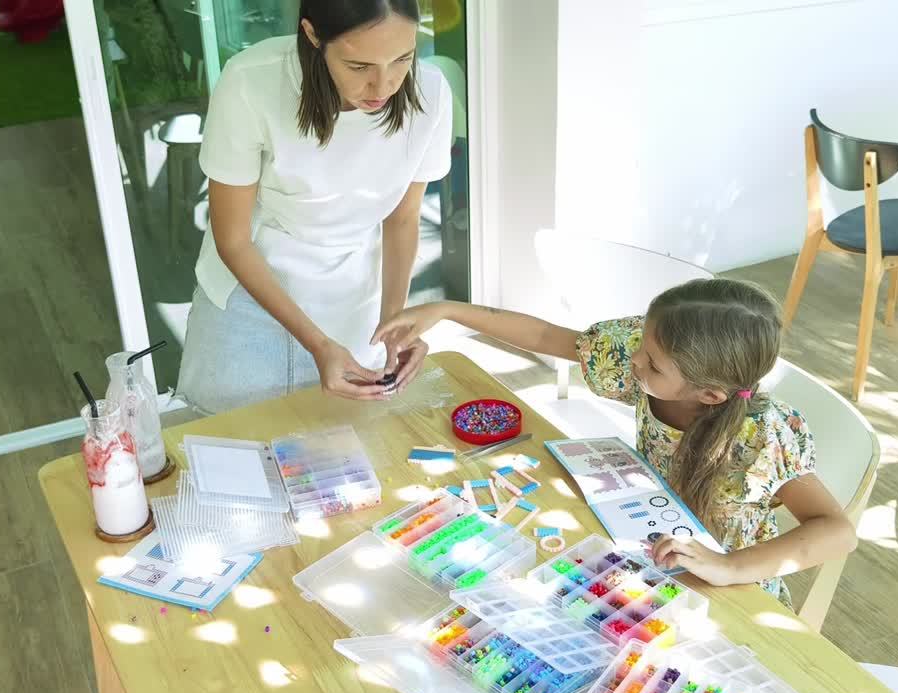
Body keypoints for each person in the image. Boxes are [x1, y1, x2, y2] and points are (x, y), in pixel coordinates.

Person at [373, 278, 858, 607]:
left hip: (732, 589)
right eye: (642, 348)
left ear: (708, 394)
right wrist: (447, 309)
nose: (633, 363)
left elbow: (837, 531)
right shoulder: (650, 357)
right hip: (644, 548)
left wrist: (728, 567)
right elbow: (549, 336)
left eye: (651, 363)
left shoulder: (764, 437)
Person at [177, 0, 453, 413]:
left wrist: (395, 324)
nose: (384, 86)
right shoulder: (251, 82)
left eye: (402, 59)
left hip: (353, 296)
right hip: (250, 295)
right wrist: (317, 344)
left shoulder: (430, 93)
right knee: (225, 449)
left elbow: (403, 218)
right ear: (312, 35)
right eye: (359, 67)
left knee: (347, 454)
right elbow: (231, 240)